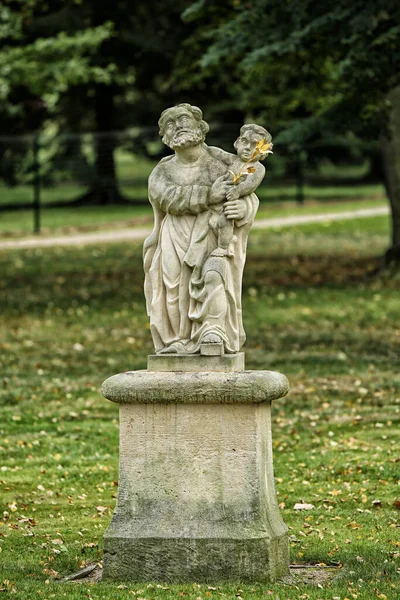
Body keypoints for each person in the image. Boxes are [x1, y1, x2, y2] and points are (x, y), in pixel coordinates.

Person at [143, 104, 260, 355]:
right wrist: (208, 194)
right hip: (174, 235)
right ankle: (176, 339)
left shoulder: (221, 161)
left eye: (184, 119)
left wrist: (244, 209)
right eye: (170, 124)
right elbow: (166, 198)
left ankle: (212, 332)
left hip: (211, 231)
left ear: (200, 126)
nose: (179, 126)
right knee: (173, 287)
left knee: (214, 276)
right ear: (165, 137)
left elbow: (247, 187)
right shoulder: (162, 170)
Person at [208, 124, 272, 258]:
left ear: (263, 153)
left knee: (225, 220)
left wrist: (237, 191)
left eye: (255, 145)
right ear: (237, 143)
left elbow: (250, 184)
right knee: (213, 223)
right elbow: (220, 154)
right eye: (244, 141)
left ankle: (223, 247)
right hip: (221, 197)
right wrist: (204, 148)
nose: (248, 147)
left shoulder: (257, 168)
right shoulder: (234, 160)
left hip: (234, 199)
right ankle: (230, 239)